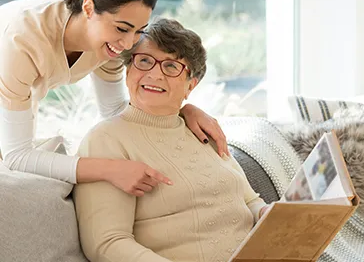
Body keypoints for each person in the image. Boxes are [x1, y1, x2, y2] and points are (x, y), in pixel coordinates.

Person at [0, 0, 228, 197]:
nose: (129, 44)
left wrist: (180, 110)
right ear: (88, 8)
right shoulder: (23, 41)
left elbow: (114, 111)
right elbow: (17, 156)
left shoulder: (108, 46)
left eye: (139, 30)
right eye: (122, 28)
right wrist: (111, 169)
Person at [73, 17, 269, 262]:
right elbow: (107, 243)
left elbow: (249, 200)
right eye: (144, 61)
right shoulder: (106, 140)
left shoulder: (202, 130)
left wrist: (266, 213)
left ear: (190, 86)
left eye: (171, 66)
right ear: (128, 71)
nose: (155, 74)